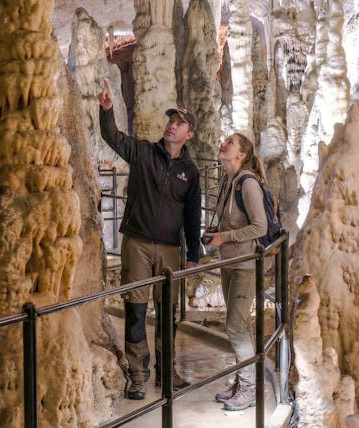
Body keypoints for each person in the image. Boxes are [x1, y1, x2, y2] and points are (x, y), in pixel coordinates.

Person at [97, 80, 201, 400]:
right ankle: (138, 373)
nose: (172, 125)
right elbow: (112, 137)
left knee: (167, 312)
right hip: (138, 243)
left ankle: (166, 372)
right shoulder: (143, 152)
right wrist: (106, 110)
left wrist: (194, 254)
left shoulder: (189, 171)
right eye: (171, 121)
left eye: (179, 123)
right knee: (137, 310)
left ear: (188, 135)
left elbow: (192, 214)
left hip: (170, 248)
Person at [202, 132, 268, 411]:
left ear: (240, 155)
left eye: (229, 142)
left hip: (244, 265)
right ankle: (244, 380)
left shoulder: (248, 184)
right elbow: (232, 222)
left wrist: (224, 238)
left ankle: (250, 388)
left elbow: (260, 227)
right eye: (224, 140)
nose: (223, 144)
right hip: (230, 263)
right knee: (238, 327)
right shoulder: (228, 182)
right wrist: (216, 233)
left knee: (235, 328)